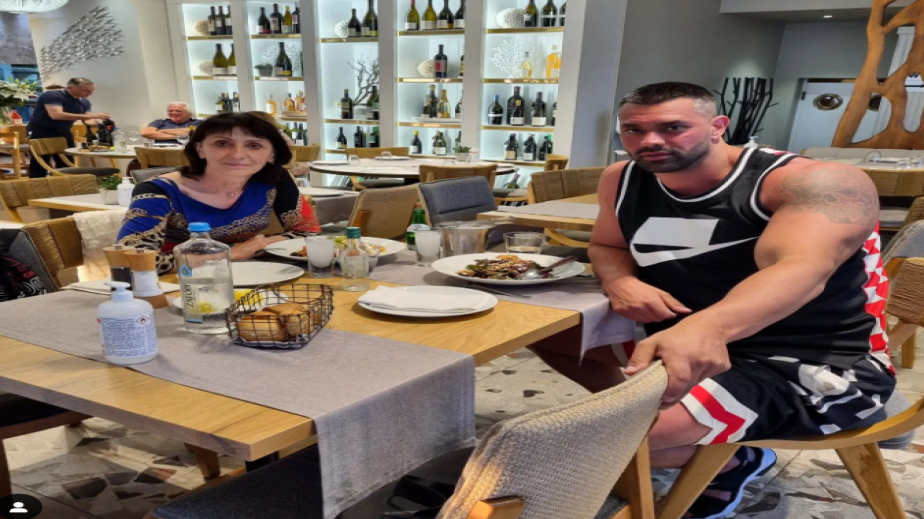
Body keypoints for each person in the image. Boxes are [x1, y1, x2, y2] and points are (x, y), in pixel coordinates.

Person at [529, 82, 895, 519]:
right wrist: (619, 280)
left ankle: (694, 442)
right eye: (633, 130)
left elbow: (800, 269)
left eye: (673, 127)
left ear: (718, 126)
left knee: (590, 443)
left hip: (808, 360)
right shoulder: (621, 178)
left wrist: (708, 327)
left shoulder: (816, 181)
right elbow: (607, 245)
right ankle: (705, 444)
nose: (649, 141)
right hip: (677, 333)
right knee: (549, 333)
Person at [116, 112, 321, 274]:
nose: (238, 154)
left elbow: (309, 234)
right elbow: (132, 260)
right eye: (222, 143)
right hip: (178, 281)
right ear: (200, 149)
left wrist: (262, 243)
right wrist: (230, 253)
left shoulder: (274, 180)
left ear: (272, 154)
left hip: (250, 273)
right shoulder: (159, 191)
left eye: (254, 145)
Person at [26, 77, 109, 178]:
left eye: (91, 91)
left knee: (67, 161)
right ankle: (37, 186)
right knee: (40, 162)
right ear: (70, 88)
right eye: (85, 90)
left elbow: (87, 119)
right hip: (41, 130)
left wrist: (101, 124)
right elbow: (56, 115)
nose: (89, 94)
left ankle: (65, 185)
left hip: (63, 132)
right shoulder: (52, 95)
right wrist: (91, 116)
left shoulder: (84, 102)